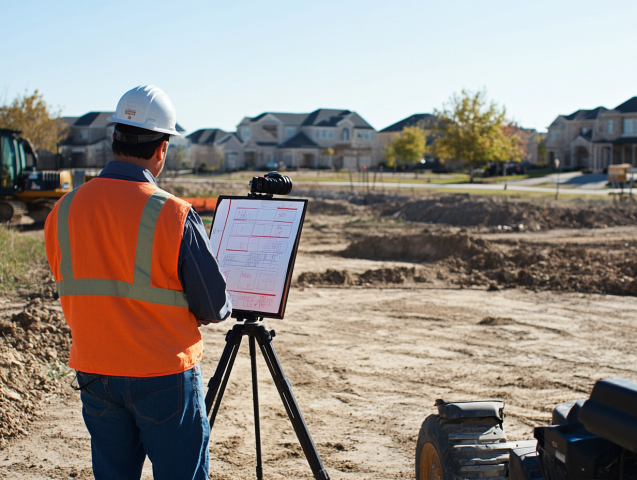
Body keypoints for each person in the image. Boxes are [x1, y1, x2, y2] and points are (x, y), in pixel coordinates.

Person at [44, 85, 232, 480]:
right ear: (162, 148)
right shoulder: (174, 213)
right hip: (162, 374)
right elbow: (213, 306)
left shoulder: (63, 210)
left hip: (95, 370)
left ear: (114, 138)